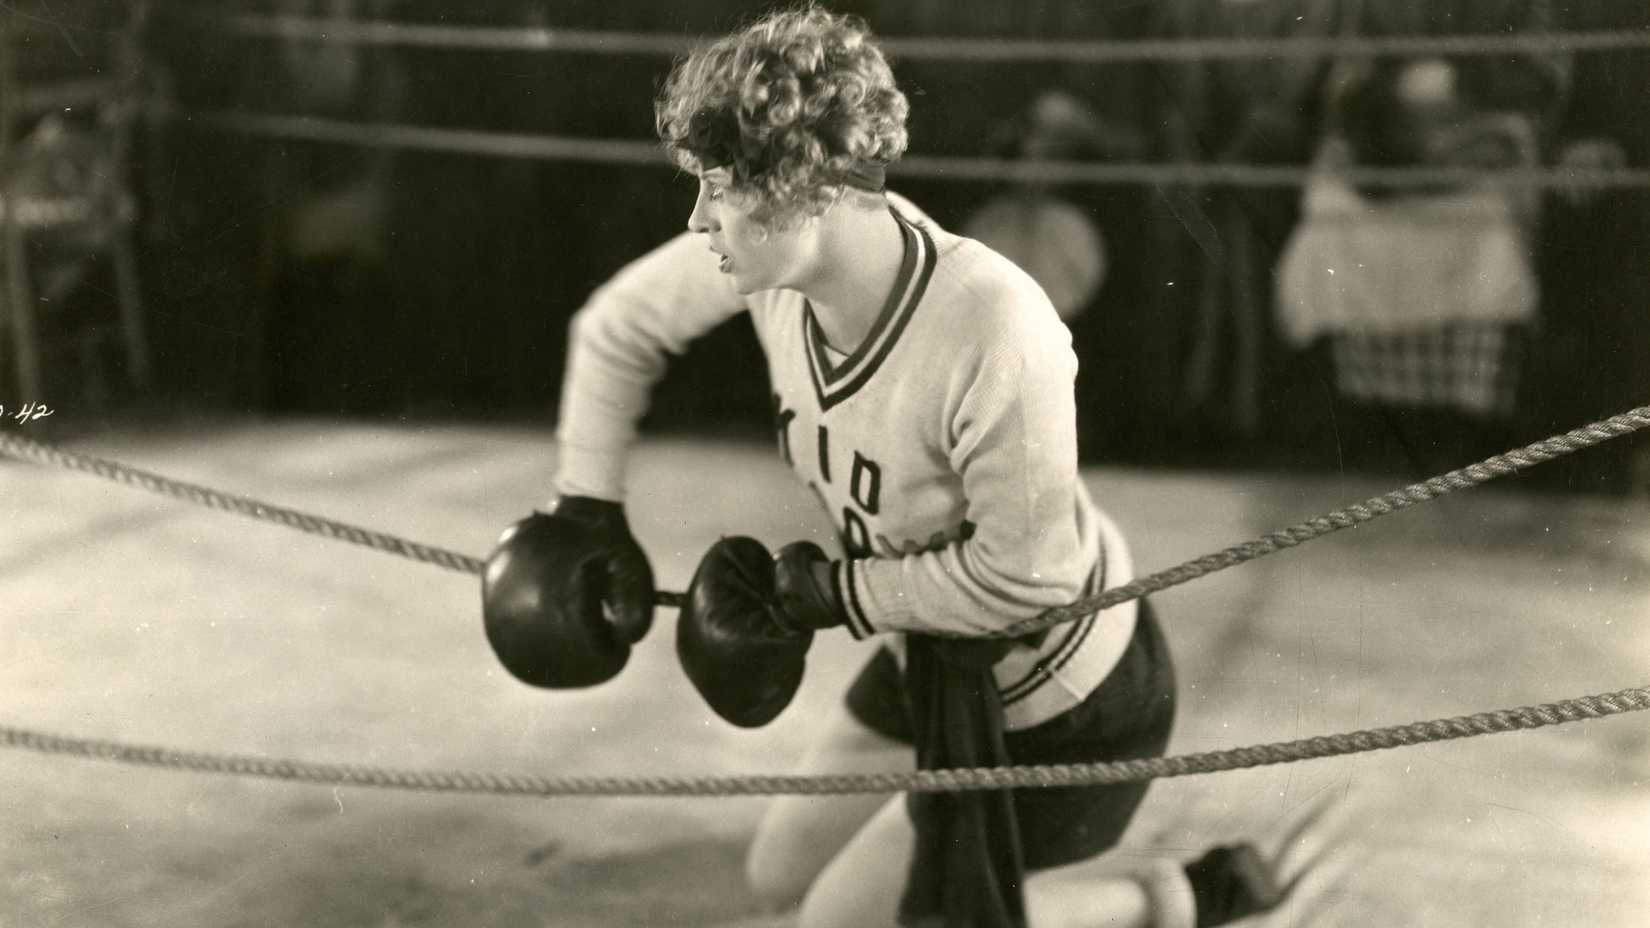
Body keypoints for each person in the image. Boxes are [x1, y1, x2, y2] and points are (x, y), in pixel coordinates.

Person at [480, 8, 1302, 927]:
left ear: (808, 190)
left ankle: (1178, 895)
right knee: (777, 880)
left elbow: (1031, 579)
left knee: (844, 923)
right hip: (932, 657)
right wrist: (590, 506)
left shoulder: (993, 324)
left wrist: (831, 594)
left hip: (1068, 697)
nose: (698, 216)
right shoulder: (777, 269)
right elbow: (616, 326)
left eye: (717, 188)